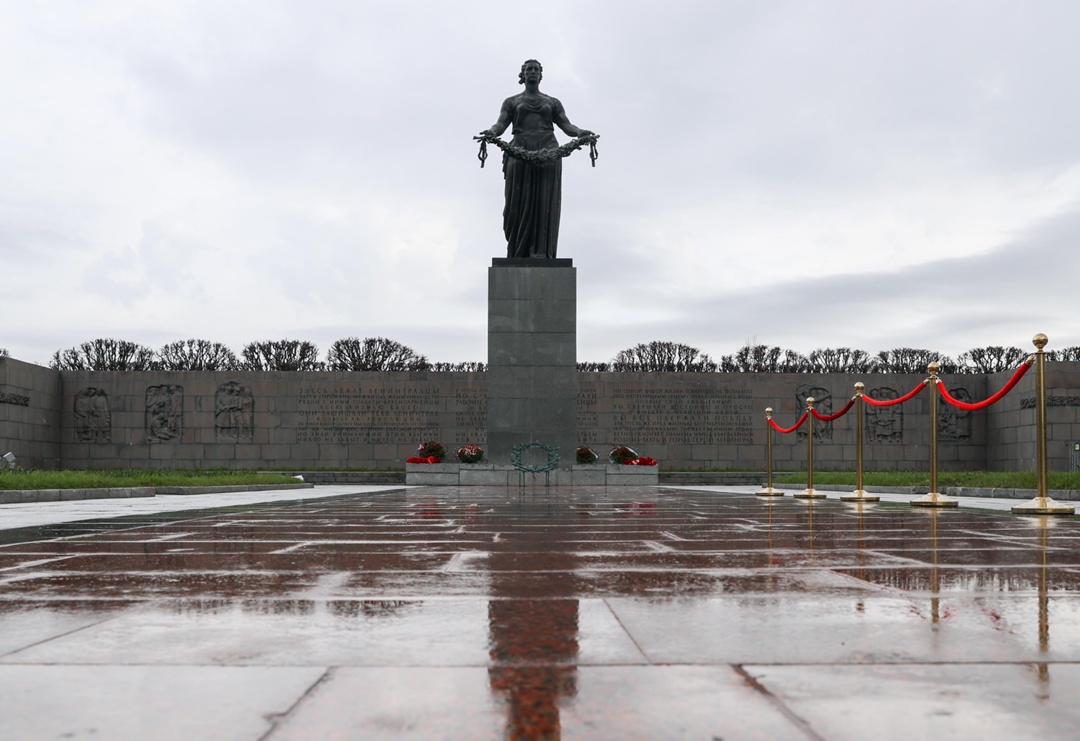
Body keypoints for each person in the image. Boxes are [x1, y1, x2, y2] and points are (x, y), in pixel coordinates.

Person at [479, 60, 595, 259]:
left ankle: (540, 251)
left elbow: (567, 126)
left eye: (536, 69)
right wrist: (490, 133)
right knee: (516, 204)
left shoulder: (553, 102)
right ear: (522, 75)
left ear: (541, 75)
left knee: (544, 200)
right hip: (519, 151)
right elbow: (501, 124)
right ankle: (518, 252)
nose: (532, 72)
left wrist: (580, 133)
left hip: (548, 151)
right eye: (528, 69)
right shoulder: (511, 101)